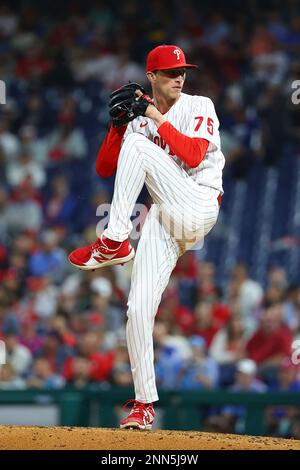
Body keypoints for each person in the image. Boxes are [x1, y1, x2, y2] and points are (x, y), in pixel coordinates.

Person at [69, 45, 225, 430]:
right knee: (137, 309)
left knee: (140, 144)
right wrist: (118, 125)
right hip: (163, 217)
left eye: (183, 70)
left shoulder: (199, 104)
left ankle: (114, 240)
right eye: (171, 71)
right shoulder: (139, 122)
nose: (180, 76)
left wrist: (150, 114)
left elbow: (190, 155)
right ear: (151, 76)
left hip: (198, 202)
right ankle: (143, 405)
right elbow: (105, 166)